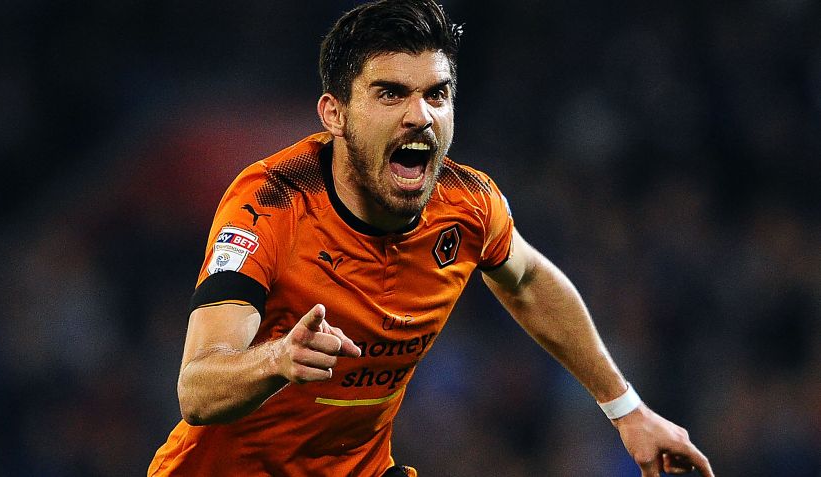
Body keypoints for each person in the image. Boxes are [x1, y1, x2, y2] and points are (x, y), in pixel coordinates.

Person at [148, 1, 714, 476]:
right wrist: (277, 359)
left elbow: (528, 281)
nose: (420, 115)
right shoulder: (271, 201)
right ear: (335, 114)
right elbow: (197, 390)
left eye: (436, 94)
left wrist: (628, 410)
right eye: (390, 94)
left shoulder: (467, 204)